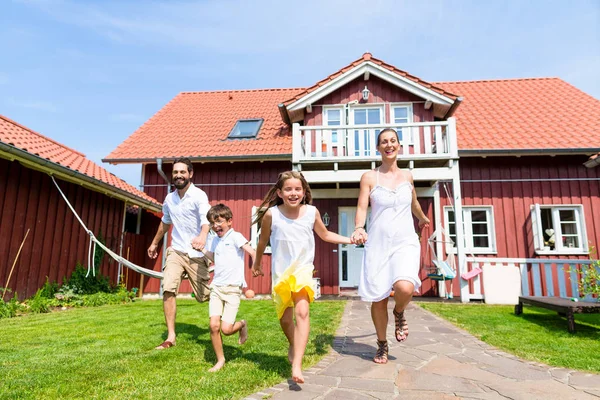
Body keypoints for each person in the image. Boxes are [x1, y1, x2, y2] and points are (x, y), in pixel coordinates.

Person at [251, 171, 354, 383]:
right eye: (288, 189)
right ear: (279, 192)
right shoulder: (272, 215)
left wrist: (349, 240)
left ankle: (297, 364)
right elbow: (262, 242)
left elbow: (325, 235)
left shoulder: (311, 212)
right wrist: (257, 262)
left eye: (298, 189)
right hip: (281, 273)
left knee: (302, 311)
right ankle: (293, 343)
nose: (293, 193)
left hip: (303, 270)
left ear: (304, 192)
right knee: (285, 318)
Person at [353, 128, 430, 365]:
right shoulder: (369, 177)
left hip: (405, 242)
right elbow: (362, 207)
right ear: (378, 148)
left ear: (399, 145)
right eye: (384, 142)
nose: (389, 145)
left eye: (392, 141)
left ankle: (399, 312)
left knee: (405, 287)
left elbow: (414, 202)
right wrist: (358, 227)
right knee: (379, 298)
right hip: (378, 245)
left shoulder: (408, 176)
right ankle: (382, 344)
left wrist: (421, 218)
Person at [147, 157, 212, 350]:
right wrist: (154, 243)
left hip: (196, 253)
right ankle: (171, 337)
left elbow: (206, 220)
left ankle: (228, 313)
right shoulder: (169, 199)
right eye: (175, 172)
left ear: (190, 174)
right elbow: (166, 222)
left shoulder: (199, 195)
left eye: (182, 172)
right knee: (168, 288)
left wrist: (202, 236)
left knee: (203, 296)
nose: (178, 175)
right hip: (176, 250)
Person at [199, 203, 256, 372]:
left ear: (229, 221)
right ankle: (220, 360)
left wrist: (255, 265)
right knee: (214, 326)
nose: (216, 226)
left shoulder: (235, 236)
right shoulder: (215, 240)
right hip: (216, 287)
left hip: (232, 289)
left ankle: (242, 325)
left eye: (219, 221)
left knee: (226, 329)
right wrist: (201, 249)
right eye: (212, 223)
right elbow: (214, 257)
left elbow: (251, 251)